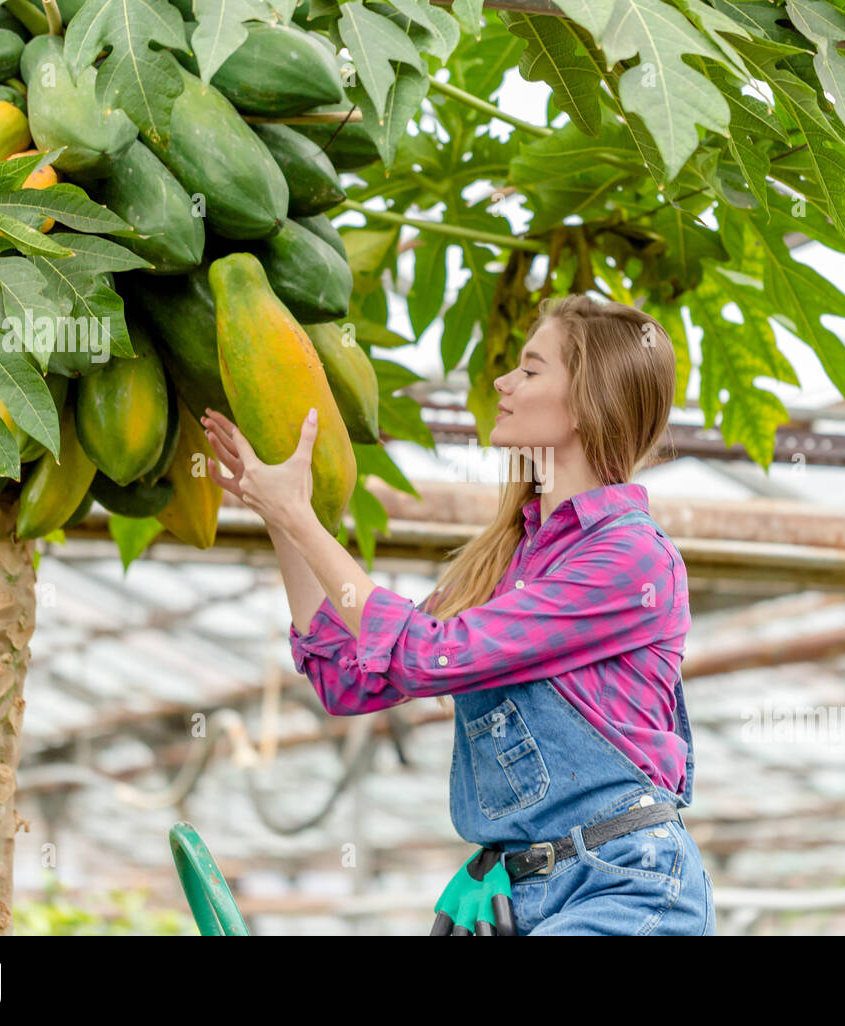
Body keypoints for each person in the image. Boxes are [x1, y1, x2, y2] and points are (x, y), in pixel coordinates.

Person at [201, 292, 715, 935]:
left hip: (626, 886)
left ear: (588, 402)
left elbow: (426, 654)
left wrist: (303, 521)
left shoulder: (631, 558)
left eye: (530, 370)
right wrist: (281, 518)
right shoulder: (508, 563)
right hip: (528, 896)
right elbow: (346, 677)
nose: (502, 382)